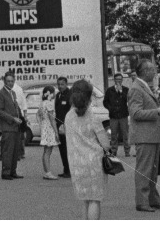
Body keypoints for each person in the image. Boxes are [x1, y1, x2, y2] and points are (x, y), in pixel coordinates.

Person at [128, 59, 160, 212]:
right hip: (144, 137)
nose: (154, 73)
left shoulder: (144, 87)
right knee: (144, 170)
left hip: (151, 136)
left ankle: (152, 200)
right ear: (144, 72)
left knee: (152, 170)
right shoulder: (136, 89)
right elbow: (135, 113)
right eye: (152, 70)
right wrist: (157, 112)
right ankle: (142, 202)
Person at [66, 79, 110, 220]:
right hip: (94, 164)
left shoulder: (68, 116)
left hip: (75, 164)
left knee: (85, 200)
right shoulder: (93, 117)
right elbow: (106, 144)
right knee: (94, 200)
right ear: (89, 96)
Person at [0, 71, 24, 180]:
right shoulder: (0, 93)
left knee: (15, 151)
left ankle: (13, 171)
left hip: (16, 127)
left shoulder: (13, 93)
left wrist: (21, 118)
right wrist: (12, 119)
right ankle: (6, 172)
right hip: (8, 126)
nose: (10, 83)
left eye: (12, 81)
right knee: (8, 150)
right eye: (8, 81)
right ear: (4, 81)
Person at [104, 73, 131, 156]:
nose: (118, 81)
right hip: (113, 116)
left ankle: (127, 151)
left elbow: (128, 99)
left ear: (122, 80)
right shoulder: (109, 90)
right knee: (113, 134)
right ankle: (114, 150)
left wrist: (121, 91)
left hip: (123, 115)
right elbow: (105, 102)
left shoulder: (126, 89)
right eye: (117, 79)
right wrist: (110, 108)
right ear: (114, 80)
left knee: (125, 134)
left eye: (120, 79)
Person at [38, 86, 60, 179]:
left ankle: (47, 171)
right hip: (49, 129)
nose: (55, 94)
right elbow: (52, 120)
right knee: (48, 151)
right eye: (53, 92)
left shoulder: (42, 103)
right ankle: (48, 172)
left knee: (46, 151)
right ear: (50, 93)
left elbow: (39, 117)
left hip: (44, 127)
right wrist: (56, 132)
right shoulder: (49, 104)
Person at [54, 76, 72, 178]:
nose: (60, 86)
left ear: (66, 84)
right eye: (59, 84)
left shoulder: (70, 95)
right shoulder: (58, 95)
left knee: (67, 150)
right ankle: (65, 169)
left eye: (62, 84)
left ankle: (69, 170)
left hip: (67, 126)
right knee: (62, 149)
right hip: (59, 126)